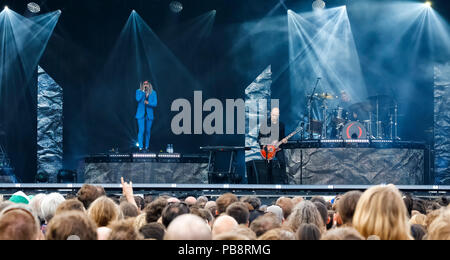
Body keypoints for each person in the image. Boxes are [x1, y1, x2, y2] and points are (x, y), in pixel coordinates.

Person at [258, 107, 288, 184]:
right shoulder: (265, 124)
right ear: (271, 114)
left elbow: (282, 137)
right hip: (267, 149)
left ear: (279, 115)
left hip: (278, 148)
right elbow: (259, 138)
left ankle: (283, 183)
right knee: (268, 166)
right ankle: (269, 184)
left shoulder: (281, 125)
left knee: (282, 162)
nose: (275, 116)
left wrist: (284, 141)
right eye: (274, 115)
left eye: (277, 115)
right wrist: (270, 142)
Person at [136, 80, 157, 151]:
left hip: (149, 115)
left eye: (147, 84)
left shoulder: (153, 93)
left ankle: (147, 147)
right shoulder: (138, 91)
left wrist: (148, 103)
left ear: (149, 85)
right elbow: (137, 99)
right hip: (140, 114)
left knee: (148, 131)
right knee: (141, 130)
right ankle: (140, 147)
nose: (146, 85)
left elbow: (155, 103)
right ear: (142, 85)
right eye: (144, 84)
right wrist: (142, 92)